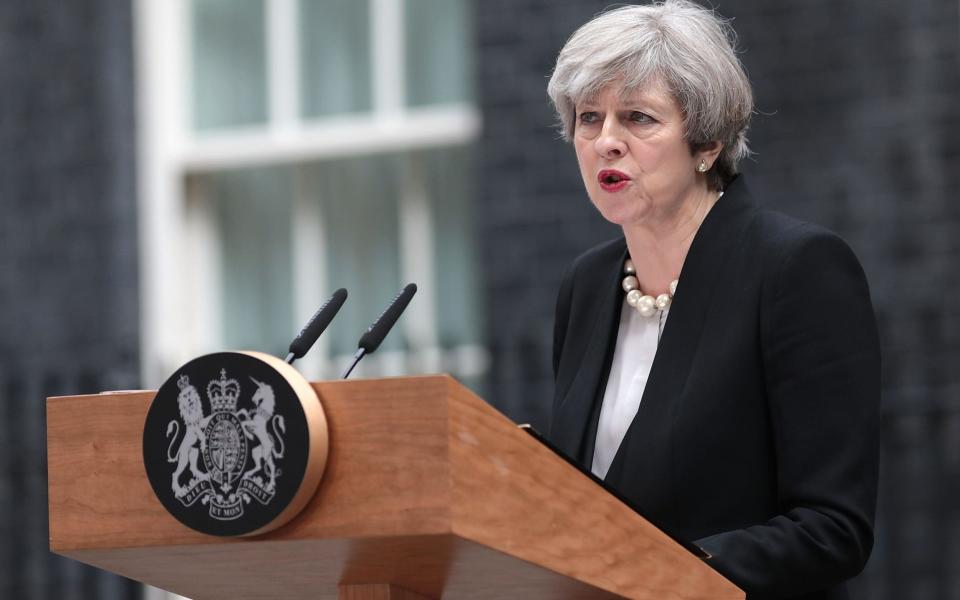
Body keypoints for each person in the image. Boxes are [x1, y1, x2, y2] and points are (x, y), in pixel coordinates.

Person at [545, 2, 880, 599]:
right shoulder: (587, 287)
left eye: (639, 118)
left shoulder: (795, 269)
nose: (606, 142)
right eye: (588, 118)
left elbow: (834, 528)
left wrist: (668, 571)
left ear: (707, 140)